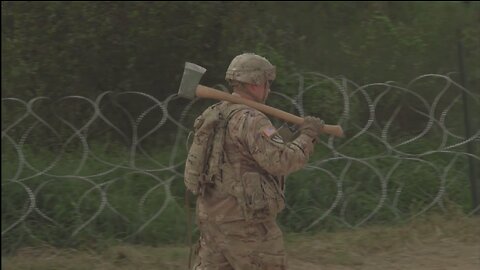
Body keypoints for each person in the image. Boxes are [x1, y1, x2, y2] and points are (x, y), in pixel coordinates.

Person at [185, 52, 324, 270]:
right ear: (255, 82)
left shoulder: (215, 112)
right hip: (245, 225)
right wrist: (308, 137)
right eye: (267, 82)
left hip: (212, 219)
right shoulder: (252, 119)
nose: (269, 88)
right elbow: (281, 161)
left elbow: (241, 155)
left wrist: (286, 137)